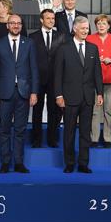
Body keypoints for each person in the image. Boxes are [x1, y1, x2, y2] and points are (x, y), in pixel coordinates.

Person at [0, 14, 39, 174]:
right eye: (13, 23)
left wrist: (34, 92)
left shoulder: (29, 43)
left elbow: (34, 70)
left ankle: (18, 162)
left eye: (18, 23)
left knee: (20, 129)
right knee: (3, 129)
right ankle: (4, 162)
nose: (16, 26)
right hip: (4, 93)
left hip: (24, 93)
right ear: (7, 26)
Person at [54, 16, 103, 174]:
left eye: (87, 28)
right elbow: (57, 75)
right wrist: (58, 95)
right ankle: (69, 163)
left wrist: (100, 93)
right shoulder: (63, 48)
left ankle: (83, 163)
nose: (85, 31)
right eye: (82, 28)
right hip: (69, 98)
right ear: (74, 29)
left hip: (88, 97)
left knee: (85, 132)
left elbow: (97, 73)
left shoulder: (93, 48)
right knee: (68, 132)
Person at [87, 14, 111, 148]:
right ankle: (94, 138)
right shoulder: (90, 38)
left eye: (104, 23)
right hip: (93, 80)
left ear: (109, 26)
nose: (101, 26)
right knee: (95, 111)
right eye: (98, 23)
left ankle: (108, 138)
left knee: (109, 110)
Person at [29, 9, 65, 148]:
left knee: (54, 111)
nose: (51, 21)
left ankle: (52, 139)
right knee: (37, 111)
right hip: (37, 80)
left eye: (53, 18)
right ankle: (36, 140)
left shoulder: (61, 36)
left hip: (55, 80)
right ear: (41, 20)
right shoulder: (32, 37)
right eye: (48, 18)